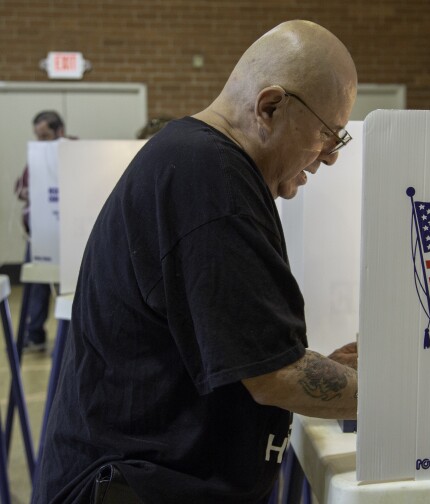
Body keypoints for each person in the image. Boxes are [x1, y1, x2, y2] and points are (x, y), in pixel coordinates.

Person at [33, 20, 358, 504]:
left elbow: (249, 355)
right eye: (328, 134)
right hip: (131, 487)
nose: (328, 157)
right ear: (270, 107)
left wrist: (322, 372)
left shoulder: (199, 163)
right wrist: (396, 390)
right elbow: (272, 378)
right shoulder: (212, 179)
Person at [14, 111, 67, 352]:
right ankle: (34, 334)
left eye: (45, 136)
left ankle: (69, 339)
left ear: (60, 132)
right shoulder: (37, 156)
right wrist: (24, 192)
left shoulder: (73, 152)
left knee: (68, 286)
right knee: (36, 284)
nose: (41, 141)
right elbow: (20, 184)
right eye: (38, 136)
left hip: (65, 232)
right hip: (38, 232)